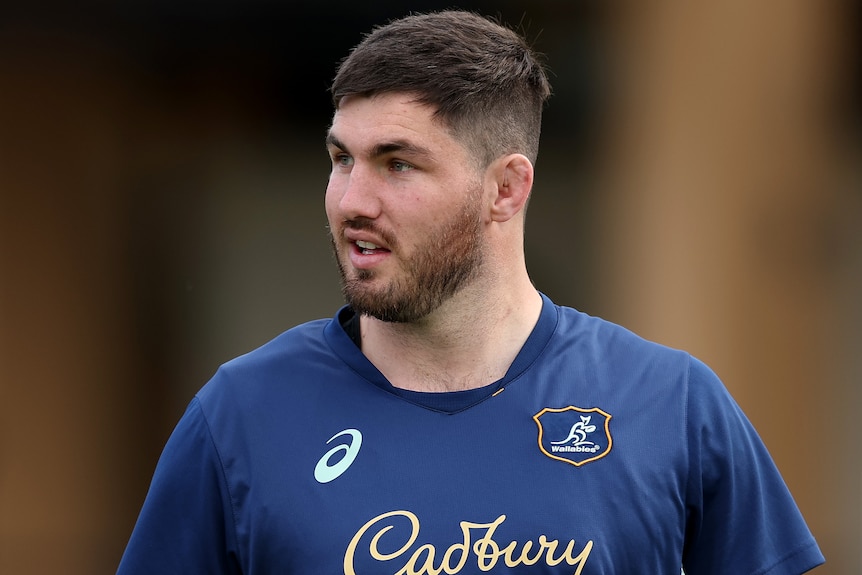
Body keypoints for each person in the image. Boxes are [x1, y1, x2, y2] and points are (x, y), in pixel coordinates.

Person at [117, 10, 824, 575]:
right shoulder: (239, 415)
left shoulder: (671, 404)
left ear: (505, 188)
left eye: (397, 163)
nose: (351, 200)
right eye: (341, 159)